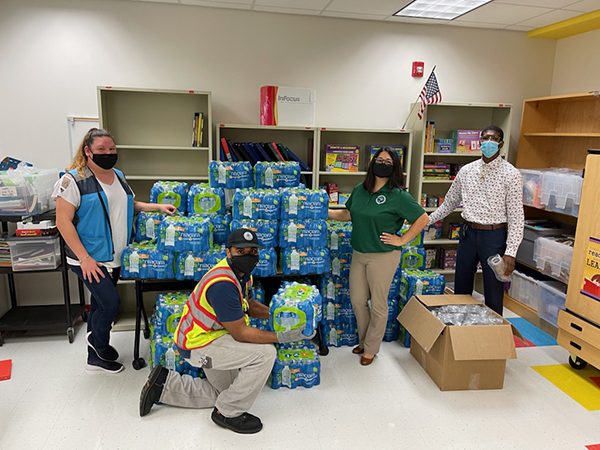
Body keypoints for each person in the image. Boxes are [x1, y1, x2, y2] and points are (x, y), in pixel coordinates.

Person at [139, 228, 314, 434]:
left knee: (226, 392)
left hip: (213, 337)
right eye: (241, 252)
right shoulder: (223, 284)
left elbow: (248, 304)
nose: (248, 256)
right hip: (199, 345)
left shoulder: (240, 275)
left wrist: (280, 316)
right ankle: (228, 413)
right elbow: (240, 333)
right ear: (228, 252)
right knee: (266, 354)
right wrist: (282, 337)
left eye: (252, 251)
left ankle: (165, 385)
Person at [54, 128, 176, 374]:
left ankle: (94, 358)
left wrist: (158, 206)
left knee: (100, 305)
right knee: (111, 304)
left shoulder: (118, 175)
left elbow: (130, 203)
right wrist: (85, 258)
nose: (108, 154)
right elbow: (62, 222)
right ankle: (98, 344)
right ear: (87, 151)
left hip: (117, 255)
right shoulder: (72, 180)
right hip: (89, 258)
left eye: (111, 149)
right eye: (101, 150)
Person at [328, 147, 429, 366]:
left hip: (383, 256)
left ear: (395, 168)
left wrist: (402, 240)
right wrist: (322, 210)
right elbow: (347, 214)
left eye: (388, 161)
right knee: (357, 301)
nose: (382, 163)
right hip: (359, 252)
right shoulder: (360, 189)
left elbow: (422, 219)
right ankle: (364, 341)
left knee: (379, 304)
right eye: (379, 159)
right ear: (372, 162)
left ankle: (371, 348)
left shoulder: (398, 196)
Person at [428, 126, 524, 316]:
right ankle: (460, 331)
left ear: (501, 144)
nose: (488, 142)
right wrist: (426, 220)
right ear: (479, 142)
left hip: (494, 237)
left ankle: (492, 333)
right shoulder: (467, 171)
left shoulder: (511, 174)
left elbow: (516, 216)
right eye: (485, 138)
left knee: (493, 289)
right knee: (461, 285)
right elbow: (449, 203)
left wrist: (511, 252)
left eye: (493, 139)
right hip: (468, 234)